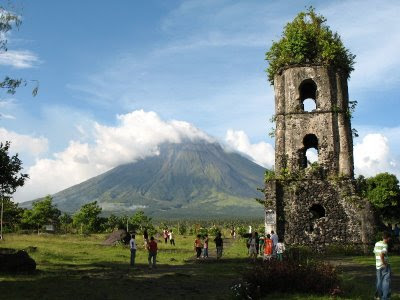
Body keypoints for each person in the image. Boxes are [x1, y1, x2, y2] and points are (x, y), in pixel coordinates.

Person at [373, 232, 391, 300]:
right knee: (386, 281)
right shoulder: (385, 245)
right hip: (384, 265)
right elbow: (381, 254)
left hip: (377, 265)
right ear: (388, 238)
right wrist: (384, 263)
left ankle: (378, 296)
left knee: (379, 281)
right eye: (389, 238)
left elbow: (375, 253)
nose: (390, 240)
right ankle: (385, 298)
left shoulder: (377, 243)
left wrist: (377, 262)